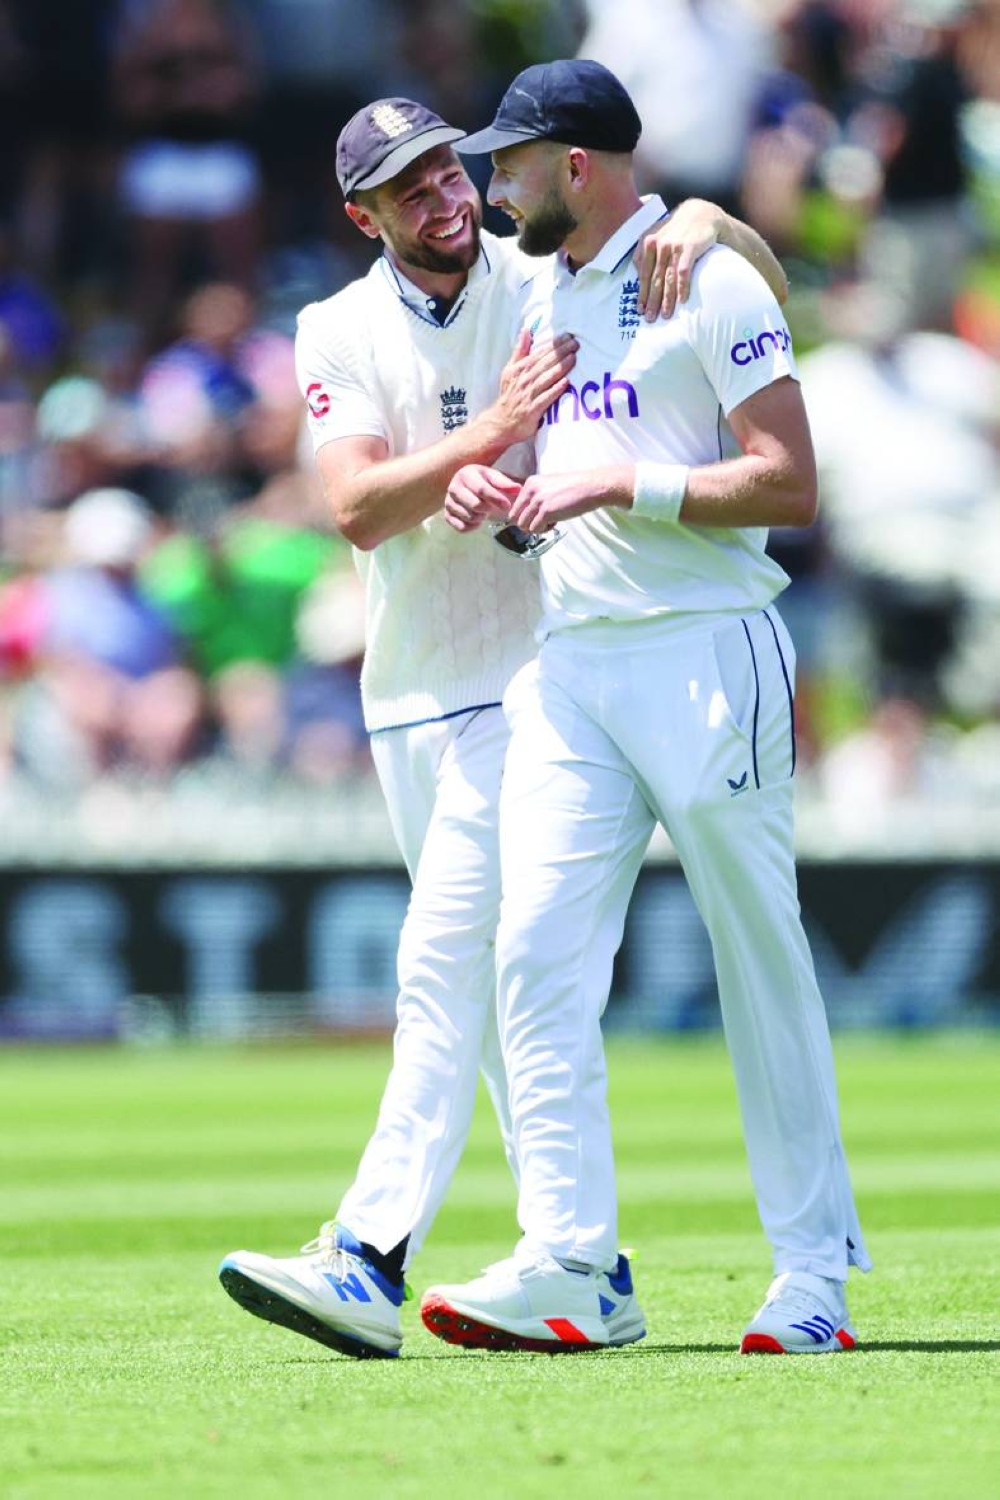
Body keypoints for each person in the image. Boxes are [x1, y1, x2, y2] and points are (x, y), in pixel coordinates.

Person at [217, 90, 791, 1359]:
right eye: (408, 187)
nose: (443, 199)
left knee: (445, 963)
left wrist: (696, 213)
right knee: (492, 980)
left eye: (445, 172)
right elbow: (361, 506)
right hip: (412, 690)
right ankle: (585, 1259)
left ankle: (368, 1255)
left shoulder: (532, 271)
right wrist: (480, 446)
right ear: (359, 212)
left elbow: (717, 264)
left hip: (542, 679)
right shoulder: (334, 326)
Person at [424, 58, 871, 1356]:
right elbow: (572, 473)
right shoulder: (543, 292)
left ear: (575, 166)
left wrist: (625, 487)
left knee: (757, 955)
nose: (487, 184)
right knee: (533, 954)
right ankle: (573, 1262)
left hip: (706, 655)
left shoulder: (705, 274)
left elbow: (789, 484)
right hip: (574, 661)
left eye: (507, 163)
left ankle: (813, 1278)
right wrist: (506, 500)